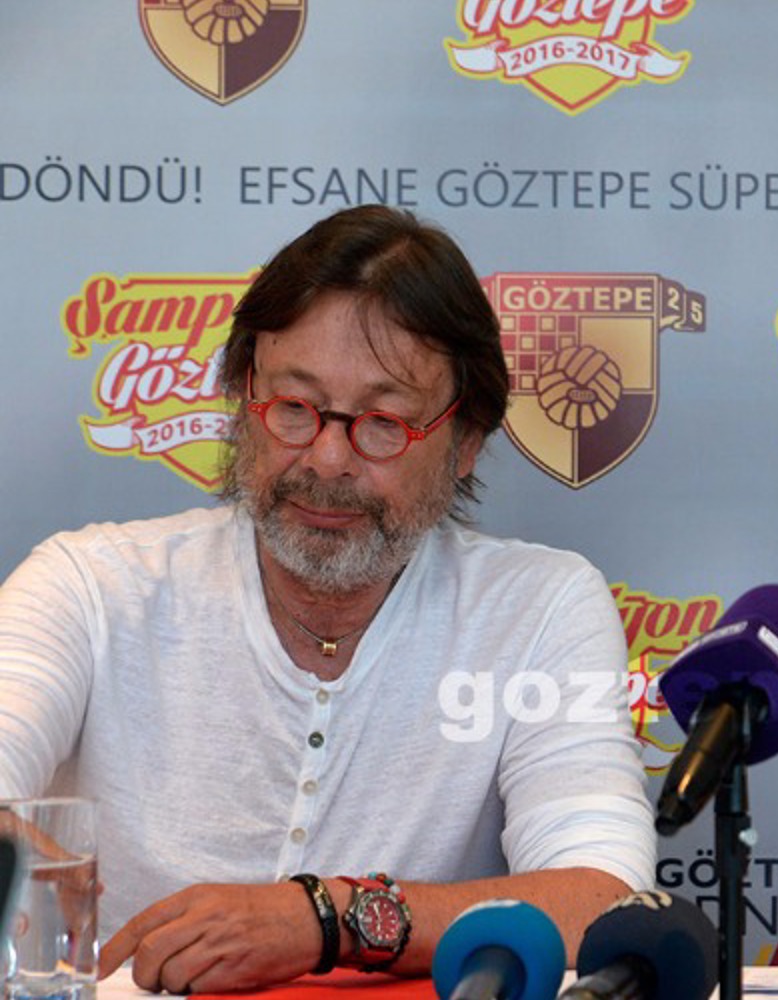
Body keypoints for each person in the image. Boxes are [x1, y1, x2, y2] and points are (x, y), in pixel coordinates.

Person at [0, 206, 655, 992]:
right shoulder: (90, 586)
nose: (327, 458)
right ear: (242, 401)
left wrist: (328, 918)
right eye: (294, 408)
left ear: (466, 442)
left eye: (383, 422)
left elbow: (605, 900)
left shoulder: (538, 608)